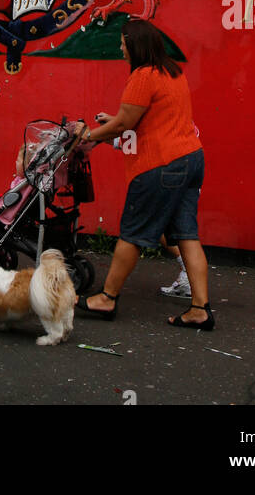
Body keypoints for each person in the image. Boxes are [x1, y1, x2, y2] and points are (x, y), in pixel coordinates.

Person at [76, 19, 213, 330]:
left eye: (123, 43)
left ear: (135, 45)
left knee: (133, 234)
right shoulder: (172, 71)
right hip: (191, 159)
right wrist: (114, 123)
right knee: (187, 235)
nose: (121, 48)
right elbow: (148, 118)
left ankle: (107, 297)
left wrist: (90, 135)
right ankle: (200, 308)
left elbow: (125, 124)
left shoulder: (142, 76)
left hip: (160, 165)